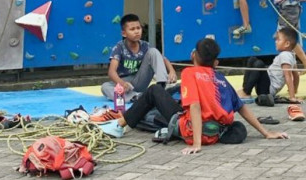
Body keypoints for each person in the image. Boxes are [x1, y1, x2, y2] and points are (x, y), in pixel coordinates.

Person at [114, 38, 288, 154]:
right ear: (216, 62)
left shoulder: (190, 73)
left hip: (191, 129)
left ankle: (120, 123)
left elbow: (195, 106)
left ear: (193, 55)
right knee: (174, 94)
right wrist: (266, 133)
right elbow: (241, 107)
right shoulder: (220, 77)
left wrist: (196, 143)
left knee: (154, 91)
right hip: (216, 132)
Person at [100, 13, 176, 102]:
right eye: (132, 29)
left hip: (140, 79)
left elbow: (162, 58)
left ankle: (162, 85)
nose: (136, 31)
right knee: (105, 87)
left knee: (154, 51)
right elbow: (111, 72)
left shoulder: (145, 45)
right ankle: (136, 97)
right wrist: (122, 83)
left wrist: (172, 71)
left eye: (138, 28)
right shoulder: (119, 47)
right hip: (125, 82)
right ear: (124, 33)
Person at [239, 27, 301, 104]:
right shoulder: (291, 55)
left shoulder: (285, 55)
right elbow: (296, 75)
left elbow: (288, 76)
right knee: (253, 60)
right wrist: (295, 90)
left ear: (287, 44)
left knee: (259, 64)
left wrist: (292, 97)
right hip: (265, 85)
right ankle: (245, 89)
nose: (276, 42)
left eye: (278, 40)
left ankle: (246, 92)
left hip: (267, 90)